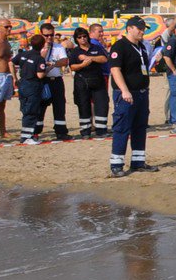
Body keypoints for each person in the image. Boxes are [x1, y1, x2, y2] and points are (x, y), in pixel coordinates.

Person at [107, 17, 157, 177]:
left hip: (142, 93)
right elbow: (115, 70)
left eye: (144, 28)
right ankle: (116, 164)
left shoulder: (142, 47)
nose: (142, 31)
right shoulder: (120, 46)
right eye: (139, 28)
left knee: (140, 127)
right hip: (127, 94)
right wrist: (124, 90)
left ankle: (138, 162)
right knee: (122, 127)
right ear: (129, 28)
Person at [66, 26, 110, 138]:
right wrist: (82, 65)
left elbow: (104, 59)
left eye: (84, 36)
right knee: (83, 105)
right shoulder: (75, 51)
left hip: (97, 80)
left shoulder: (96, 47)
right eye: (79, 37)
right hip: (82, 81)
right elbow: (72, 66)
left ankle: (101, 130)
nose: (83, 39)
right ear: (76, 39)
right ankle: (85, 131)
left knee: (102, 105)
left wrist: (90, 58)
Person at [14, 33, 50, 145]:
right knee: (31, 111)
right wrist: (49, 68)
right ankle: (26, 137)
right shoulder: (39, 58)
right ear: (42, 45)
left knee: (25, 109)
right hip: (33, 86)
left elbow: (11, 62)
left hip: (22, 83)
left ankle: (26, 136)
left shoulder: (24, 54)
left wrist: (14, 77)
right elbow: (40, 75)